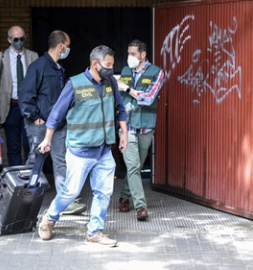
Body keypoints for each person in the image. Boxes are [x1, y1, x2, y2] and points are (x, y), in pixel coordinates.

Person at [37, 45, 129, 247]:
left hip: (104, 150)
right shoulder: (75, 84)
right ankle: (49, 219)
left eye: (112, 65)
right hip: (80, 151)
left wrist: (124, 134)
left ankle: (94, 232)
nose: (111, 69)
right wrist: (47, 139)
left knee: (103, 192)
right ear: (95, 65)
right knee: (70, 192)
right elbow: (56, 115)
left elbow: (120, 110)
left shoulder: (110, 83)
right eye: (108, 65)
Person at [19, 30, 86, 215]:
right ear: (61, 46)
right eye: (68, 45)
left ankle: (65, 202)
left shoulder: (59, 68)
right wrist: (35, 117)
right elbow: (25, 96)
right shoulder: (38, 67)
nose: (68, 49)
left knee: (61, 161)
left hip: (58, 124)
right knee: (35, 161)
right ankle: (24, 200)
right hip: (40, 125)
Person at [116, 39, 165, 221]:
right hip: (126, 127)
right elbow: (120, 96)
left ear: (143, 55)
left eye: (133, 54)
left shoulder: (157, 72)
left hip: (145, 127)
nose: (130, 57)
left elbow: (149, 98)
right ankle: (140, 206)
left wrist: (127, 88)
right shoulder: (126, 71)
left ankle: (123, 196)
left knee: (136, 166)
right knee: (134, 166)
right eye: (128, 54)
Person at [0, 25, 38, 166]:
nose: (19, 42)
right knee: (13, 147)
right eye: (16, 39)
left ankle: (30, 180)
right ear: (9, 39)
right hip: (10, 107)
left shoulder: (33, 56)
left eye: (22, 39)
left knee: (30, 146)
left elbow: (39, 84)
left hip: (28, 106)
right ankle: (17, 179)